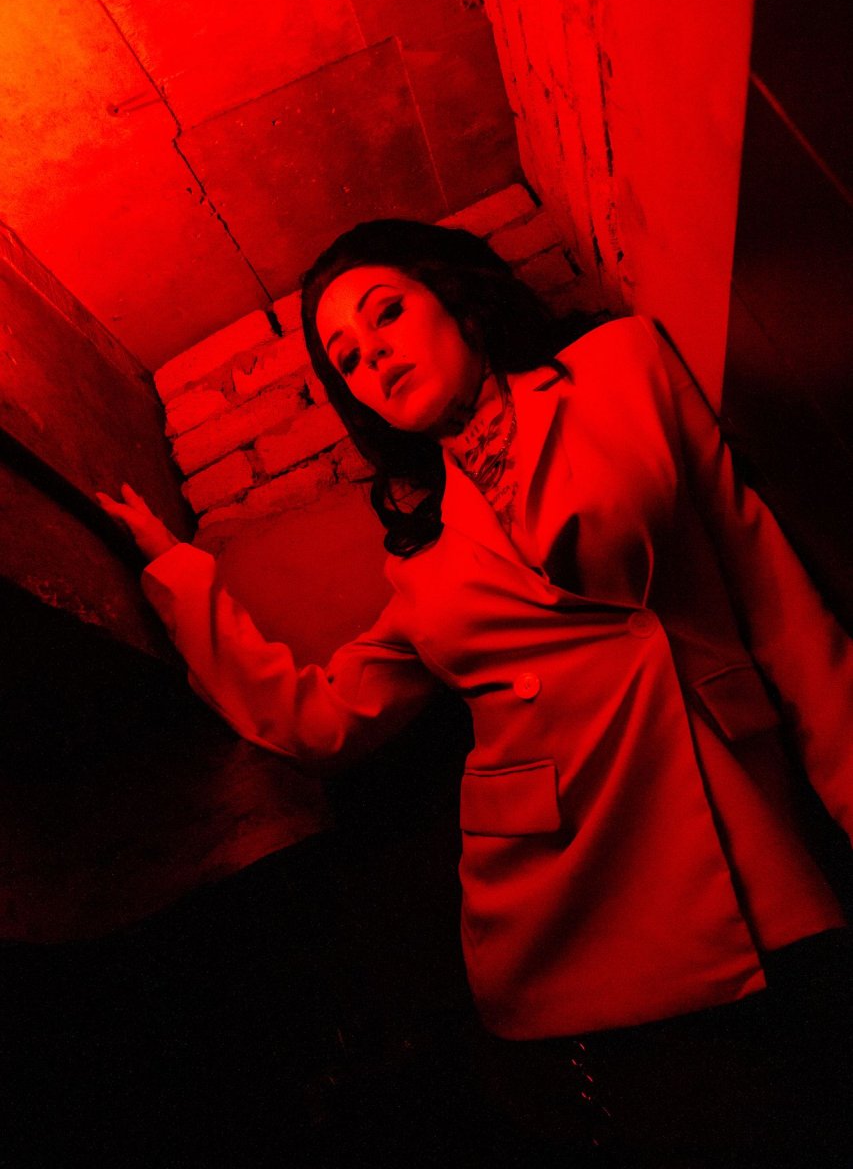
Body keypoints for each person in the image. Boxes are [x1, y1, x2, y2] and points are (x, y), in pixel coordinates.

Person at [98, 219, 852, 1163]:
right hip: (553, 913)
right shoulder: (423, 563)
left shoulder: (622, 366)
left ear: (457, 302)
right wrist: (176, 571)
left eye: (385, 313)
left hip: (741, 831)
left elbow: (773, 596)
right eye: (345, 358)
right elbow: (319, 724)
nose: (370, 355)